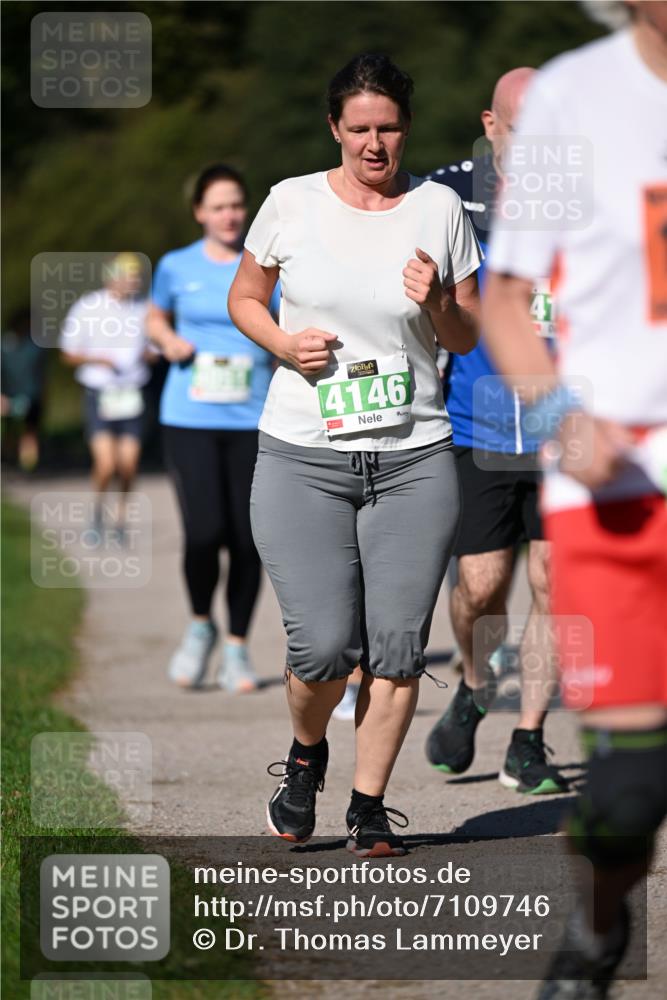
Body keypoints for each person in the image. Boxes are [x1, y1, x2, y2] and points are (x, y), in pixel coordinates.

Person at [228, 53, 482, 857]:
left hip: (413, 454)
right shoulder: (289, 203)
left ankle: (368, 806)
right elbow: (245, 296)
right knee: (323, 647)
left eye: (390, 128)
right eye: (360, 128)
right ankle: (306, 757)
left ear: (406, 127)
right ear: (335, 128)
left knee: (399, 648)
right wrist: (280, 342)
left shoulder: (439, 208)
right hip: (304, 451)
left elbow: (467, 335)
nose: (376, 144)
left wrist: (437, 299)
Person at [482, 1, 667, 995]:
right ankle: (598, 929)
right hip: (613, 494)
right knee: (631, 790)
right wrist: (560, 414)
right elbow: (505, 298)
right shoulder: (571, 99)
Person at [424, 69, 568, 795]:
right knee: (479, 586)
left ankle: (528, 739)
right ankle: (476, 682)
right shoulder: (442, 197)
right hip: (475, 423)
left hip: (562, 427)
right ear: (490, 127)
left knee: (552, 578)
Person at [147, 165, 279, 693]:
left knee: (248, 540)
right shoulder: (176, 266)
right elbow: (154, 317)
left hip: (254, 417)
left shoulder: (267, 266)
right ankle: (201, 625)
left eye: (236, 205)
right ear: (200, 212)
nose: (229, 215)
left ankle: (237, 650)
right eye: (218, 206)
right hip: (190, 418)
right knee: (205, 533)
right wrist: (167, 341)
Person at [59, 253, 153, 540]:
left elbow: (155, 351)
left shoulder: (145, 310)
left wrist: (148, 355)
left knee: (129, 464)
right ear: (111, 277)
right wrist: (98, 360)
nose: (133, 281)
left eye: (137, 276)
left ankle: (120, 520)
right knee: (106, 464)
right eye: (128, 275)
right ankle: (97, 512)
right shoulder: (88, 307)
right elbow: (67, 354)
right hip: (99, 393)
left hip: (133, 394)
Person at [1, 308, 47, 471]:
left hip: (32, 396)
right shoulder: (4, 345)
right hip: (8, 395)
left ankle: (27, 467)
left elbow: (41, 373)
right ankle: (8, 461)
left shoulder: (36, 346)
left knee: (30, 432)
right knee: (11, 431)